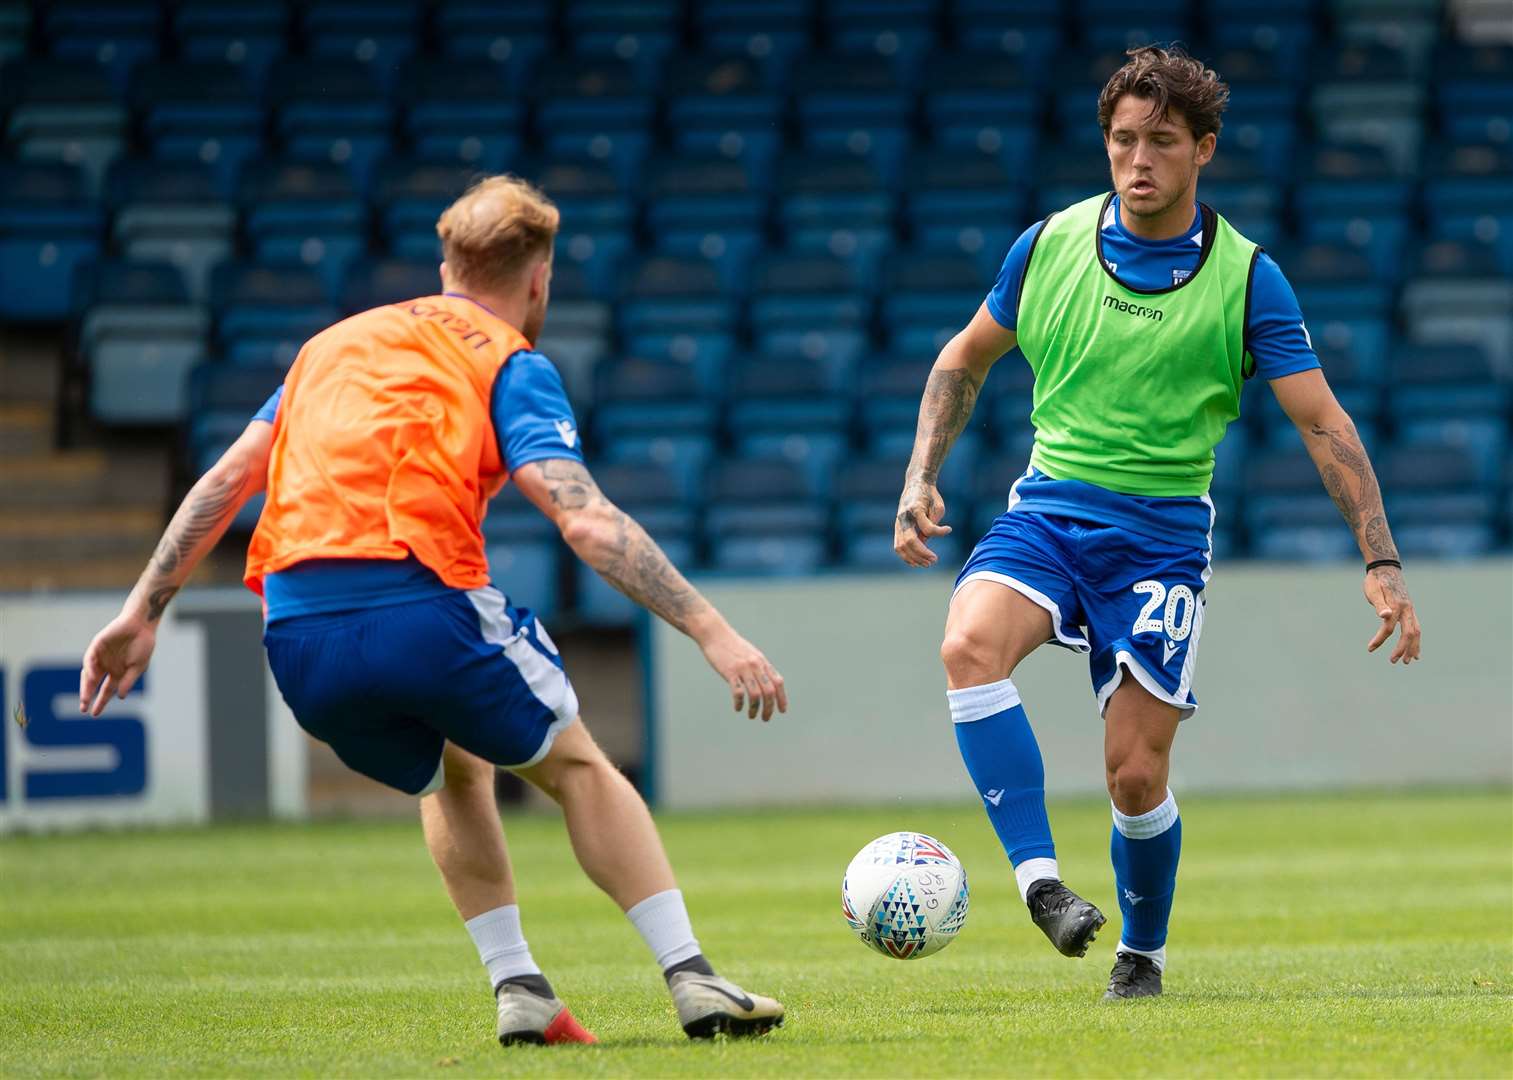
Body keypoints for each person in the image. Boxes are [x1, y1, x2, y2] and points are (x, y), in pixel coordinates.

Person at [79, 175, 789, 1045]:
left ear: (446, 263)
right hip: (418, 604)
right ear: (540, 280)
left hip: (298, 639)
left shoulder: (329, 347)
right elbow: (586, 521)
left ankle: (519, 988)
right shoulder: (506, 359)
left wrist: (142, 610)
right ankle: (692, 977)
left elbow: (225, 483)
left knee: (452, 765)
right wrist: (712, 630)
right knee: (578, 769)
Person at [893, 46, 1423, 1001]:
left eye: (1161, 142)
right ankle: (1040, 884)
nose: (1137, 159)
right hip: (1049, 511)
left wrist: (1379, 559)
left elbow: (1322, 423)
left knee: (1134, 776)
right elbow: (962, 357)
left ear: (1203, 149)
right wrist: (918, 474)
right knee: (967, 645)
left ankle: (1141, 954)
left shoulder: (1248, 278)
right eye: (1121, 140)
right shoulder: (1046, 244)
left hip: (1161, 540)